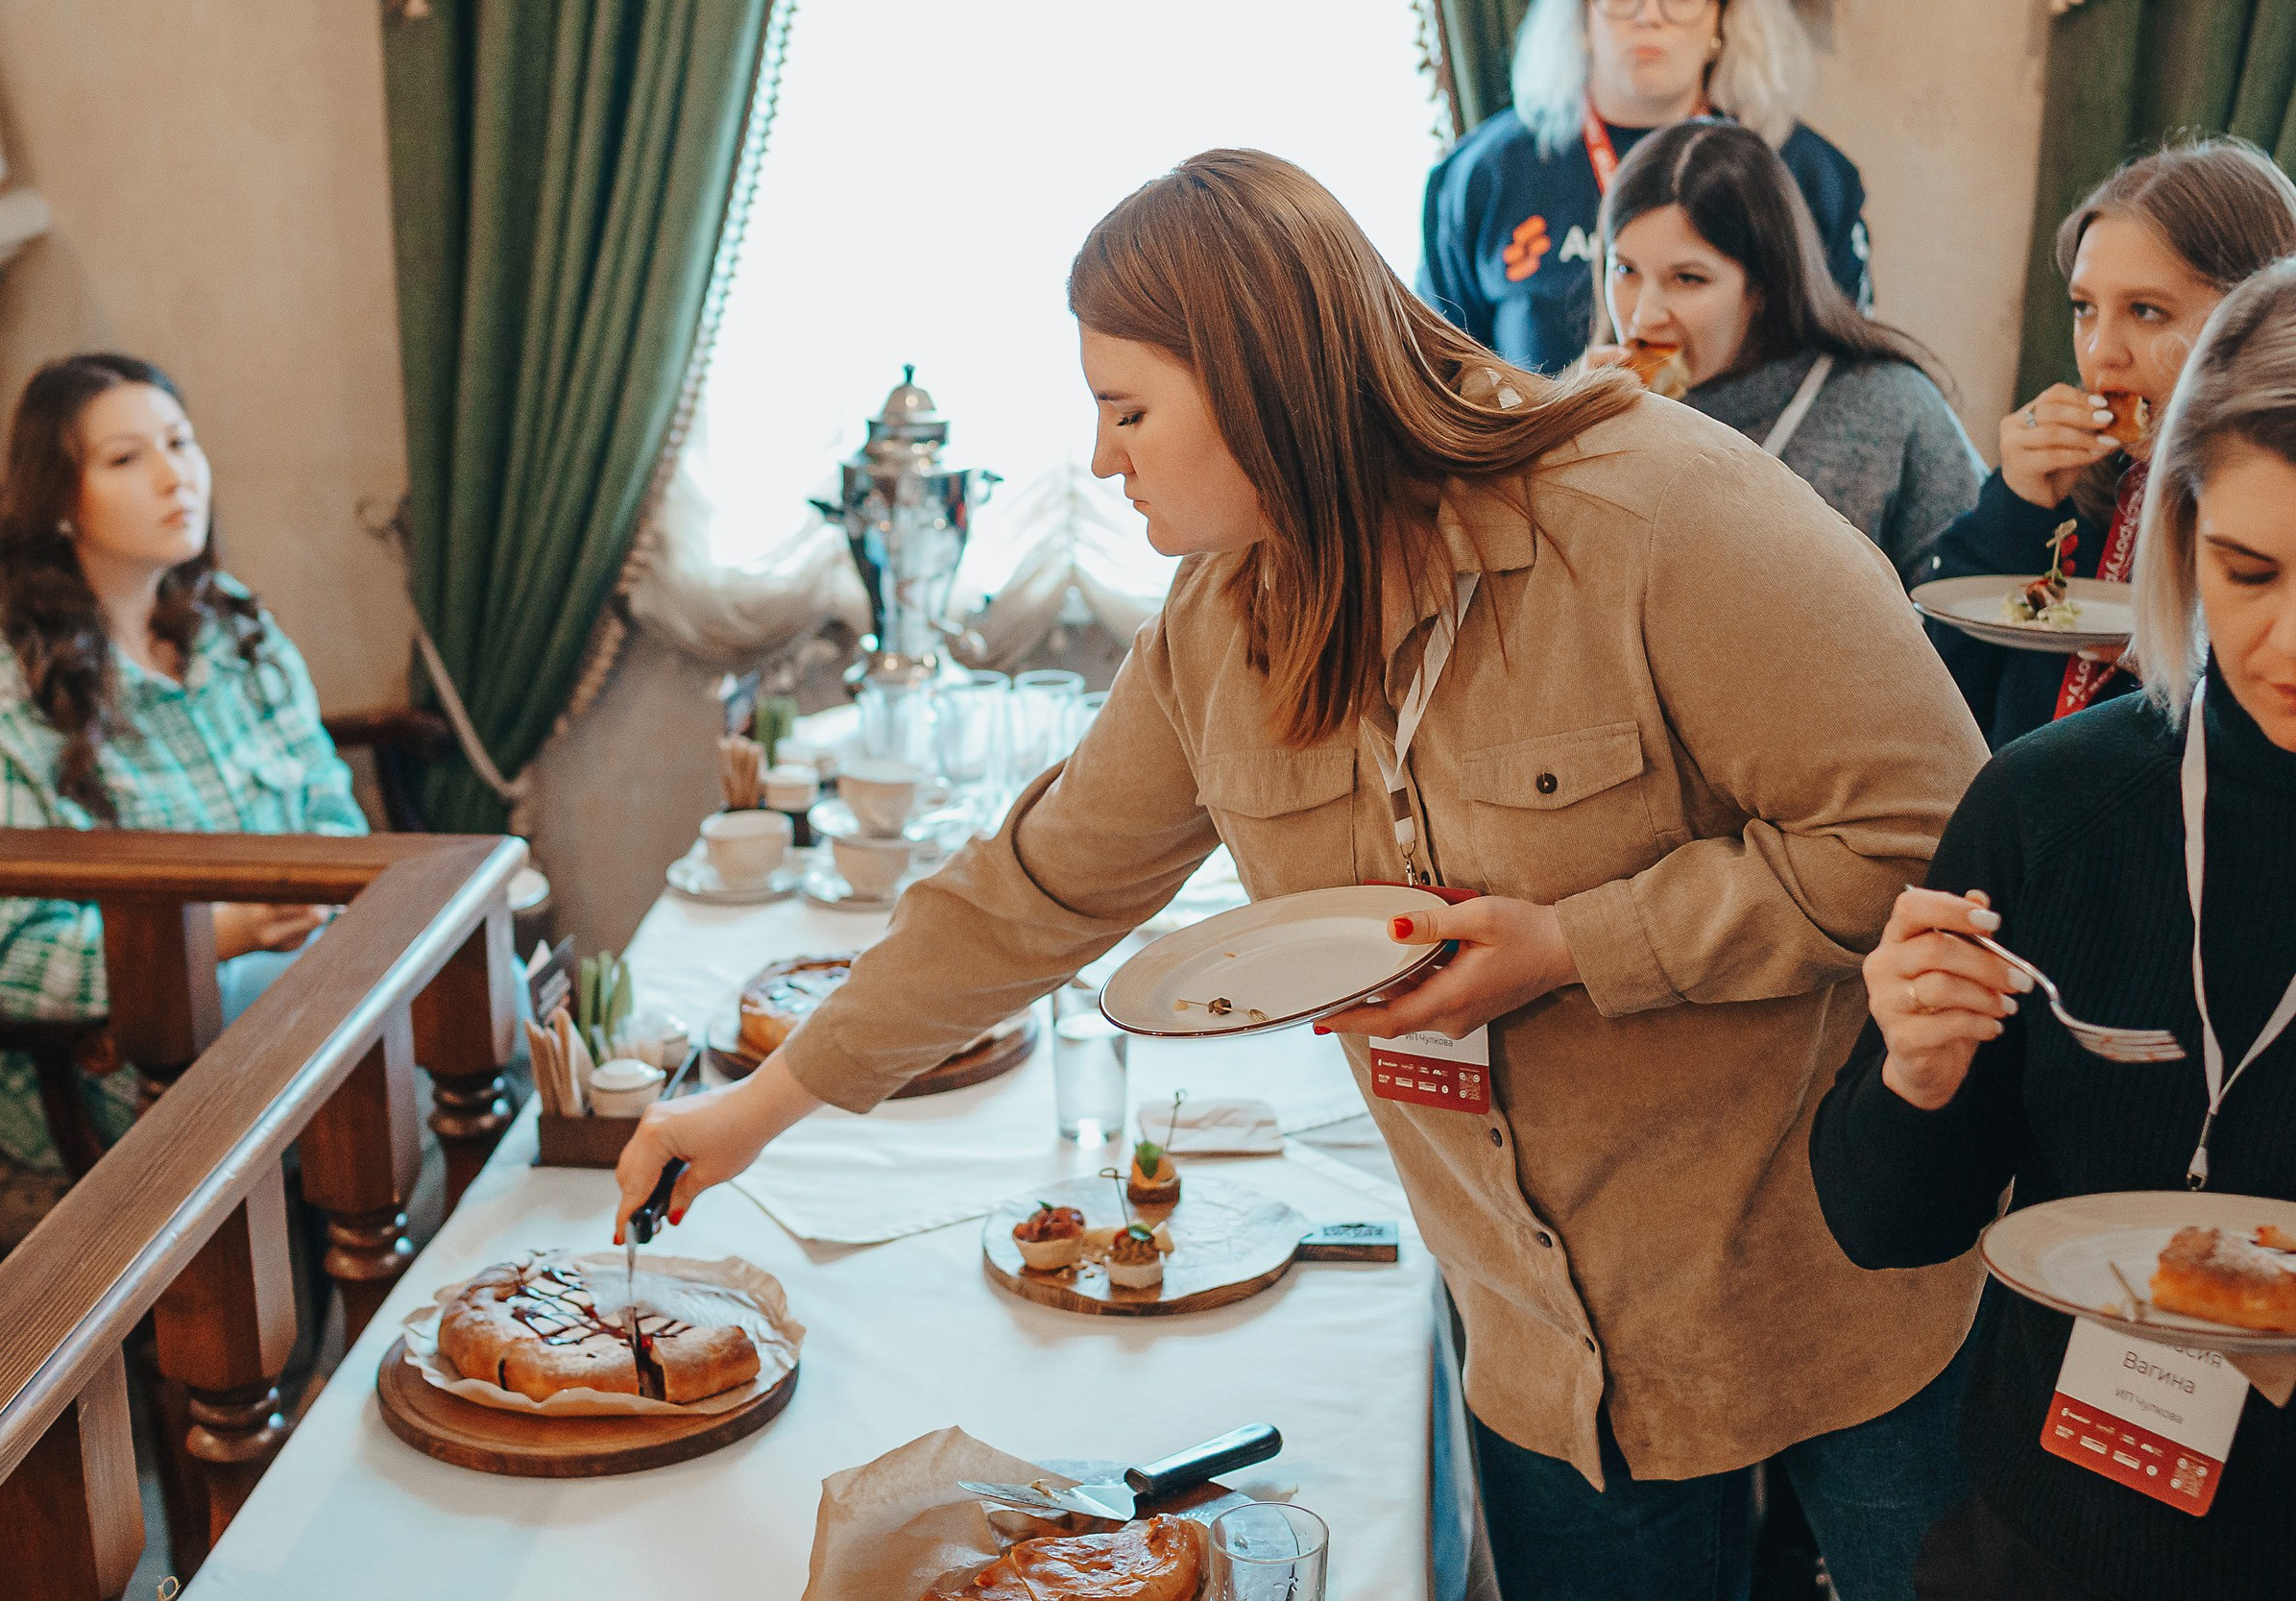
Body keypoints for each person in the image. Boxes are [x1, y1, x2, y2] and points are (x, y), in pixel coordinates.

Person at [616, 149, 1987, 1601]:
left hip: (1823, 1284)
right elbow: (1039, 886)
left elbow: (1931, 836)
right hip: (1539, 1345)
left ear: (1261, 381)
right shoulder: (1223, 621)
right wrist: (766, 1104)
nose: (1100, 461)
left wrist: (1579, 941)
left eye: (1126, 409)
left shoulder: (1657, 513)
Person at [1811, 259, 2296, 1601]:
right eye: (2251, 569)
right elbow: (1887, 1221)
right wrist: (1913, 1070)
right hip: (2051, 1524)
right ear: (2181, 532)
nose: (2290, 640)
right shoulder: (2058, 801)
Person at [0, 353, 364, 1170]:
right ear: (57, 500)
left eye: (179, 442)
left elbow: (332, 808)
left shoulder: (232, 623)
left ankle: (459, 1290)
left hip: (292, 975)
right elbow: (10, 954)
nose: (175, 477)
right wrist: (225, 932)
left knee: (486, 996)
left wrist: (327, 906)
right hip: (93, 1054)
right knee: (379, 1057)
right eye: (127, 458)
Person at [1926, 137, 2296, 748]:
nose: (2101, 352)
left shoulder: (2266, 511)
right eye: (2084, 308)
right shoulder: (2075, 484)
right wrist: (2016, 506)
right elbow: (1938, 700)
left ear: (2257, 314)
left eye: (2147, 311)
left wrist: (2196, 671)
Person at [1585, 119, 1979, 584]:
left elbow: (1963, 613)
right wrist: (1564, 442)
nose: (1645, 316)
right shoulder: (1602, 411)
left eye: (1688, 278)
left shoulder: (1891, 406)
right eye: (1626, 270)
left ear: (1764, 287)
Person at [1420, 0, 1867, 375]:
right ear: (1580, 17)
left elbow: (1845, 374)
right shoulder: (1479, 176)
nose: (1648, 14)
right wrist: (1556, 407)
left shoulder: (1807, 172)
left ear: (1724, 18)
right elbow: (1438, 387)